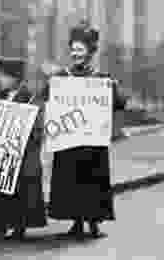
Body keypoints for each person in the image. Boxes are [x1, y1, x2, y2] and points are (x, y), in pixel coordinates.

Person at [42, 21, 127, 239]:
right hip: (69, 140)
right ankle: (77, 222)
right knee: (71, 180)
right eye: (73, 49)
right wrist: (49, 83)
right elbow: (46, 98)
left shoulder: (101, 78)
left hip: (92, 142)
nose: (75, 53)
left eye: (80, 50)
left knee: (92, 180)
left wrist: (114, 89)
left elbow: (119, 103)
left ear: (90, 52)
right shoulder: (62, 77)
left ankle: (94, 223)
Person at [0, 58, 47, 240]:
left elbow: (38, 125)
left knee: (22, 189)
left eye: (5, 76)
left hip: (24, 153)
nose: (1, 80)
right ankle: (2, 223)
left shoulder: (30, 98)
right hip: (4, 151)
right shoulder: (0, 96)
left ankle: (19, 225)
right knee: (2, 187)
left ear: (16, 78)